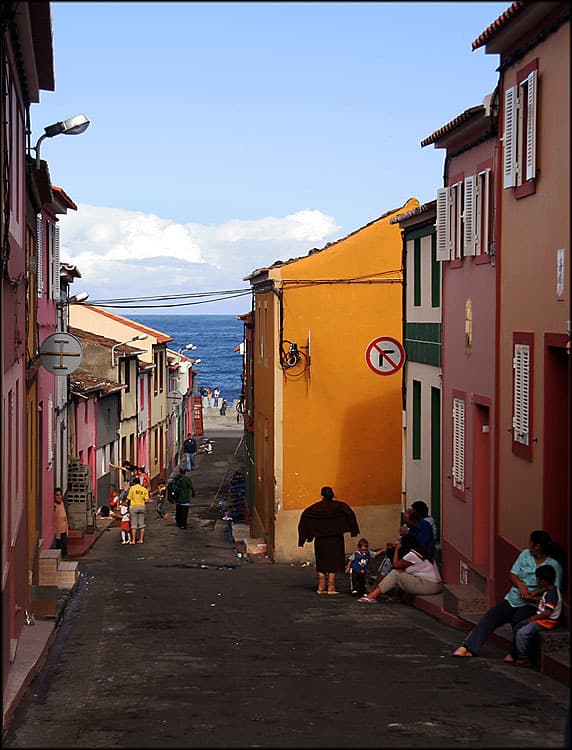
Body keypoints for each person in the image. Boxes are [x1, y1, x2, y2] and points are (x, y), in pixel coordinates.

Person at [453, 529, 564, 658]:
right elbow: (512, 574)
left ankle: (516, 654)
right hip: (514, 597)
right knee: (492, 616)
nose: (529, 545)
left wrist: (534, 597)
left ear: (537, 546)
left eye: (531, 543)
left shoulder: (554, 565)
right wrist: (521, 586)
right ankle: (468, 647)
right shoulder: (525, 555)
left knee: (519, 619)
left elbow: (553, 589)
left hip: (533, 604)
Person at [298, 486, 360, 595]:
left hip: (321, 540)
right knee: (334, 562)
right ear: (332, 495)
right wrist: (352, 530)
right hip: (335, 539)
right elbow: (350, 514)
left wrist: (305, 537)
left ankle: (321, 587)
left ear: (322, 495)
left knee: (322, 561)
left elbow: (305, 516)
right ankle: (331, 587)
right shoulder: (340, 506)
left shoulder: (315, 508)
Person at [358, 533, 442, 602]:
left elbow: (395, 565)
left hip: (428, 586)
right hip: (435, 586)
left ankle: (372, 595)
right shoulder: (422, 552)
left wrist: (397, 550)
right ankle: (395, 596)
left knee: (395, 574)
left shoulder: (412, 555)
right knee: (400, 572)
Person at [510, 564, 562, 667]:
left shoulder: (552, 594)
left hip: (546, 621)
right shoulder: (549, 590)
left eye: (538, 579)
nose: (536, 581)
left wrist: (533, 618)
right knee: (518, 625)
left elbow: (547, 612)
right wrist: (533, 595)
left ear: (543, 581)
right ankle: (517, 651)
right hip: (540, 618)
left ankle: (523, 657)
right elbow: (542, 595)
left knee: (522, 633)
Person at [127, 476, 150, 544]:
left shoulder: (132, 488)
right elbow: (147, 500)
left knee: (134, 525)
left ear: (134, 483)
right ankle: (141, 539)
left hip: (133, 507)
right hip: (142, 507)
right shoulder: (144, 489)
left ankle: (133, 540)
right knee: (142, 524)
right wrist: (141, 501)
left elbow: (129, 498)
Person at [53, 487, 69, 558]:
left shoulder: (62, 504)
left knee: (64, 551)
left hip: (64, 531)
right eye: (57, 495)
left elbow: (65, 518)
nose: (59, 497)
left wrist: (67, 530)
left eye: (60, 495)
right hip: (58, 533)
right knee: (60, 551)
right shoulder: (54, 507)